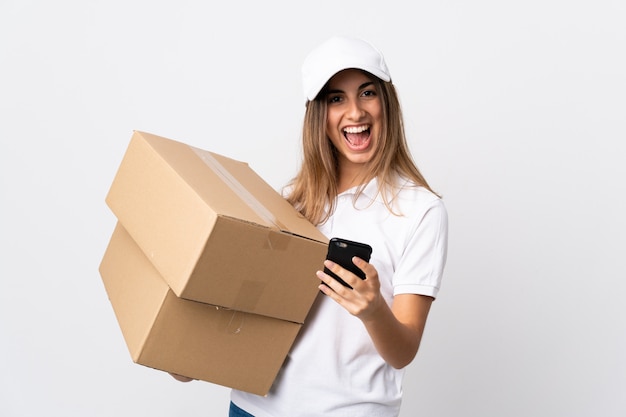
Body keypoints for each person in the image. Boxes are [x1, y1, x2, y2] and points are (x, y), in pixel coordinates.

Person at [178, 35, 448, 417]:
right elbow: (250, 312)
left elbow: (403, 352)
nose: (355, 112)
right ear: (318, 114)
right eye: (336, 99)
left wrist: (373, 311)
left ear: (386, 102)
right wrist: (185, 354)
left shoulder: (421, 210)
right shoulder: (289, 201)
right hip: (253, 406)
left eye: (367, 93)